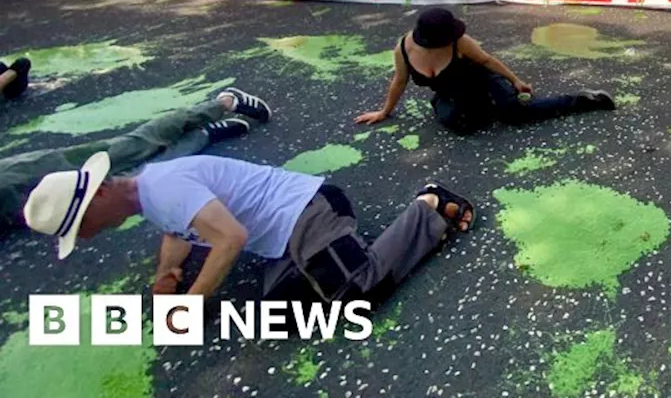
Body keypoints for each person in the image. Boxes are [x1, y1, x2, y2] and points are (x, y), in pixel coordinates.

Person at [24, 150, 474, 306]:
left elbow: (231, 239)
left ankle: (429, 206)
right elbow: (175, 232)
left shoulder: (165, 187)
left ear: (99, 194)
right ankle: (349, 251)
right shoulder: (150, 193)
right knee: (283, 308)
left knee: (357, 293)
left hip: (307, 210)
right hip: (283, 233)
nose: (85, 237)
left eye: (80, 227)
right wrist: (166, 276)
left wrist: (192, 303)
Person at [2, 88, 268, 231]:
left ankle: (223, 103)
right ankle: (203, 135)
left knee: (126, 150)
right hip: (15, 200)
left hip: (10, 178)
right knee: (140, 178)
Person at [356, 8, 616, 136]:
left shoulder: (460, 42)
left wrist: (515, 81)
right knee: (461, 127)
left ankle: (584, 100)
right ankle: (487, 108)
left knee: (516, 115)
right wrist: (384, 112)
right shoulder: (403, 48)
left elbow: (488, 61)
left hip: (483, 82)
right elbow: (399, 81)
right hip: (451, 95)